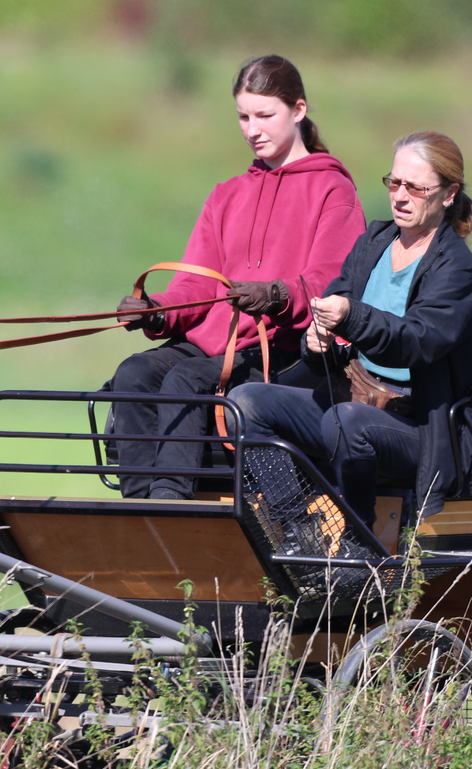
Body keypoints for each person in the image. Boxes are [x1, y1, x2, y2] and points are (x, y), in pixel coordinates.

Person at [110, 54, 365, 500]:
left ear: (298, 110)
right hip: (214, 343)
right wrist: (157, 314)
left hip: (285, 349)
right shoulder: (226, 194)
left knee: (185, 380)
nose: (252, 129)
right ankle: (139, 513)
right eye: (243, 116)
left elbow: (331, 280)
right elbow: (198, 287)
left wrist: (277, 295)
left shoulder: (333, 189)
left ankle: (170, 508)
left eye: (265, 115)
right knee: (134, 373)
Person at [226, 131, 472, 531]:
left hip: (418, 423)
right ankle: (297, 528)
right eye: (395, 183)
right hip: (352, 399)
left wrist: (350, 318)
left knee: (345, 422)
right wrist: (318, 342)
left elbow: (415, 342)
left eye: (416, 188)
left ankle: (358, 538)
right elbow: (335, 313)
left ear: (449, 193)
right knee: (244, 403)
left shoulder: (455, 267)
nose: (400, 196)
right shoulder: (373, 240)